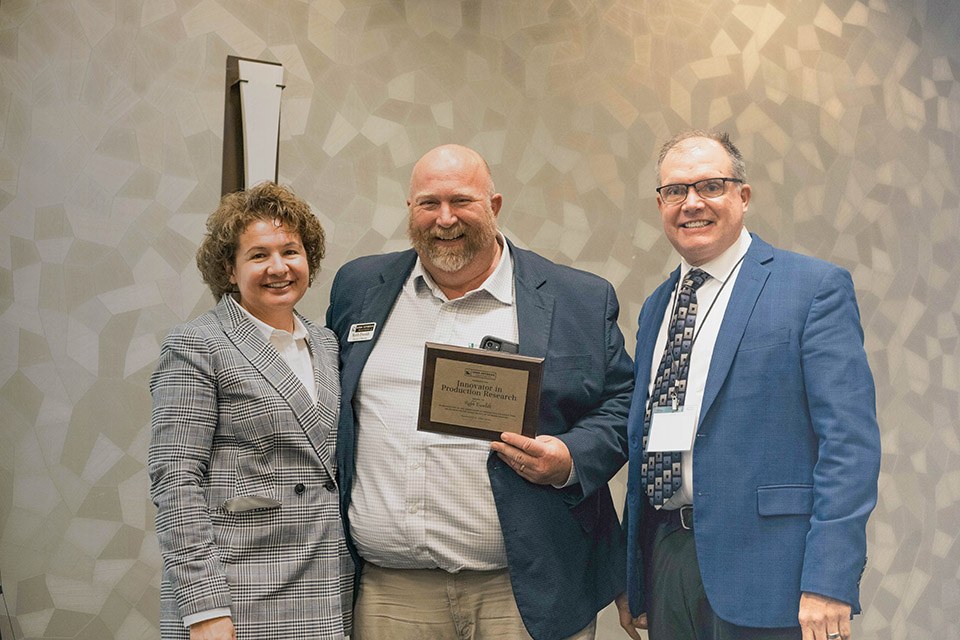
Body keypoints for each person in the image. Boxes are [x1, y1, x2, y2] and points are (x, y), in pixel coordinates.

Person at [326, 144, 633, 640]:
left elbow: (623, 404)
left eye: (461, 201)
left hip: (526, 590)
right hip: (393, 593)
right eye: (429, 203)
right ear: (410, 211)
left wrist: (571, 457)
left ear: (494, 207)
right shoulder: (359, 287)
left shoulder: (577, 297)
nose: (444, 218)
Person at [617, 130, 881, 640]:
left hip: (774, 575)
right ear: (660, 204)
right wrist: (637, 574)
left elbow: (849, 445)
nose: (691, 203)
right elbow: (644, 440)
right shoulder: (657, 307)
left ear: (743, 195)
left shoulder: (812, 289)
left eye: (710, 186)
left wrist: (830, 579)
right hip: (669, 559)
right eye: (675, 191)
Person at [149, 182, 353, 640]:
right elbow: (175, 480)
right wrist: (203, 609)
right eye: (258, 255)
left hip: (327, 588)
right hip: (237, 596)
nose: (278, 268)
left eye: (291, 251)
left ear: (310, 259)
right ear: (229, 267)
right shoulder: (197, 344)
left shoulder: (326, 343)